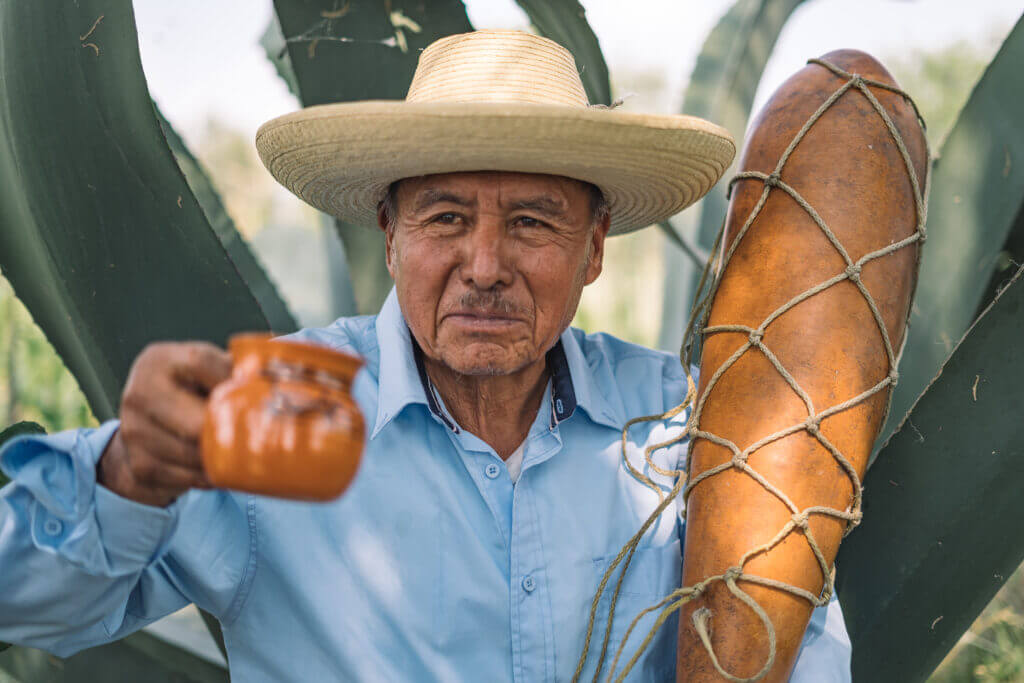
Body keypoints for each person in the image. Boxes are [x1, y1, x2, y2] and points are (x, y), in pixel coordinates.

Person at [0, 30, 851, 681]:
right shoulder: (277, 408)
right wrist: (128, 478)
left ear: (594, 249)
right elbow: (29, 599)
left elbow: (800, 635)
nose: (484, 266)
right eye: (445, 217)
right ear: (391, 236)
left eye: (532, 221)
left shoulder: (679, 423)